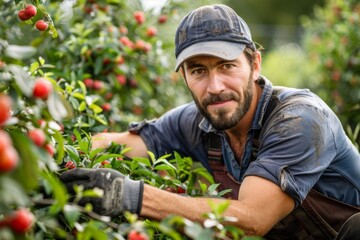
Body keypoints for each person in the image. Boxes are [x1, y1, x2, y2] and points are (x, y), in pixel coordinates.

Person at [60, 4, 360, 239]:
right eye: (198, 71)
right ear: (184, 77)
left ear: (254, 64)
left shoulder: (300, 119)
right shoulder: (197, 121)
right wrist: (51, 150)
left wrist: (131, 195)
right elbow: (123, 144)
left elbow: (252, 219)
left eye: (227, 66)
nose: (215, 87)